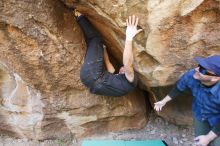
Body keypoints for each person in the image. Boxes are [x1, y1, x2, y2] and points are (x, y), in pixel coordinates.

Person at [154, 55, 220, 146]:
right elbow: (179, 88)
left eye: (202, 70)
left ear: (215, 78)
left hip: (217, 117)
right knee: (200, 141)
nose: (197, 69)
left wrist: (208, 138)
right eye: (199, 66)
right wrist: (163, 101)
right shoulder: (192, 75)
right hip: (200, 113)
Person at [74, 11, 142, 96]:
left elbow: (128, 64)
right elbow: (108, 63)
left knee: (95, 38)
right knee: (93, 43)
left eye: (123, 69)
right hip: (88, 80)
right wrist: (104, 49)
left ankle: (78, 14)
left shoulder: (132, 81)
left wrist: (129, 37)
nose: (122, 68)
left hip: (93, 74)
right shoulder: (119, 83)